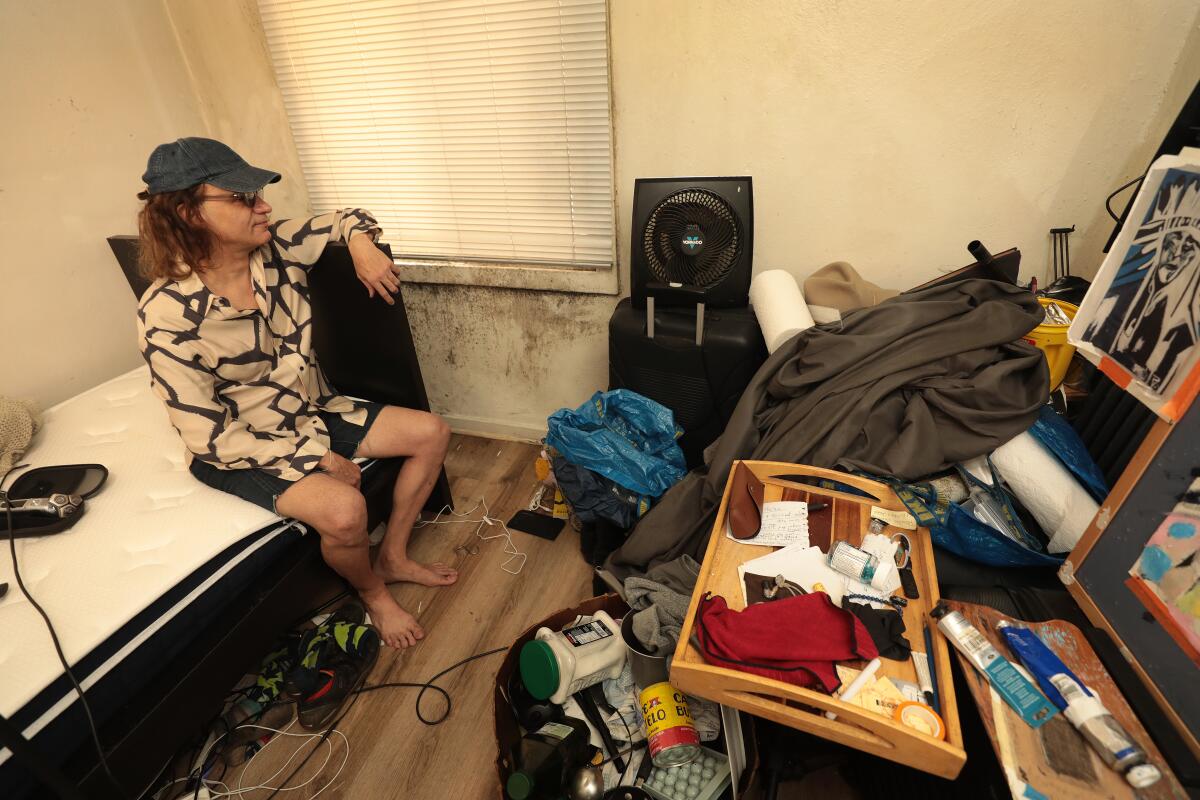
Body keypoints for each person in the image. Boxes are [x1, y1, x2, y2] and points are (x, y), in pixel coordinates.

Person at [135, 137, 455, 650]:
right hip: (245, 446)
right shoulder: (167, 315)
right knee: (345, 512)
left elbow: (350, 215)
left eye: (257, 193)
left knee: (432, 432)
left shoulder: (277, 247)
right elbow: (210, 439)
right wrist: (318, 459)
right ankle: (372, 592)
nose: (262, 205)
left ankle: (393, 554)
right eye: (241, 198)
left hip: (310, 410)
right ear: (187, 212)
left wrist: (360, 244)